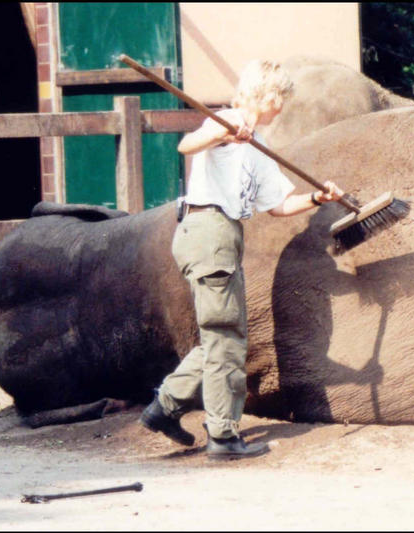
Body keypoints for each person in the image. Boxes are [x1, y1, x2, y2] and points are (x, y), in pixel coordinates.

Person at [139, 59, 344, 459]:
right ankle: (222, 435)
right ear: (270, 95)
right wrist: (223, 133)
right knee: (226, 340)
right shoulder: (226, 121)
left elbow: (279, 205)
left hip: (226, 235)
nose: (281, 108)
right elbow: (187, 145)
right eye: (281, 100)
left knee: (224, 336)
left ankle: (165, 407)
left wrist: (317, 198)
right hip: (208, 229)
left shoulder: (259, 148)